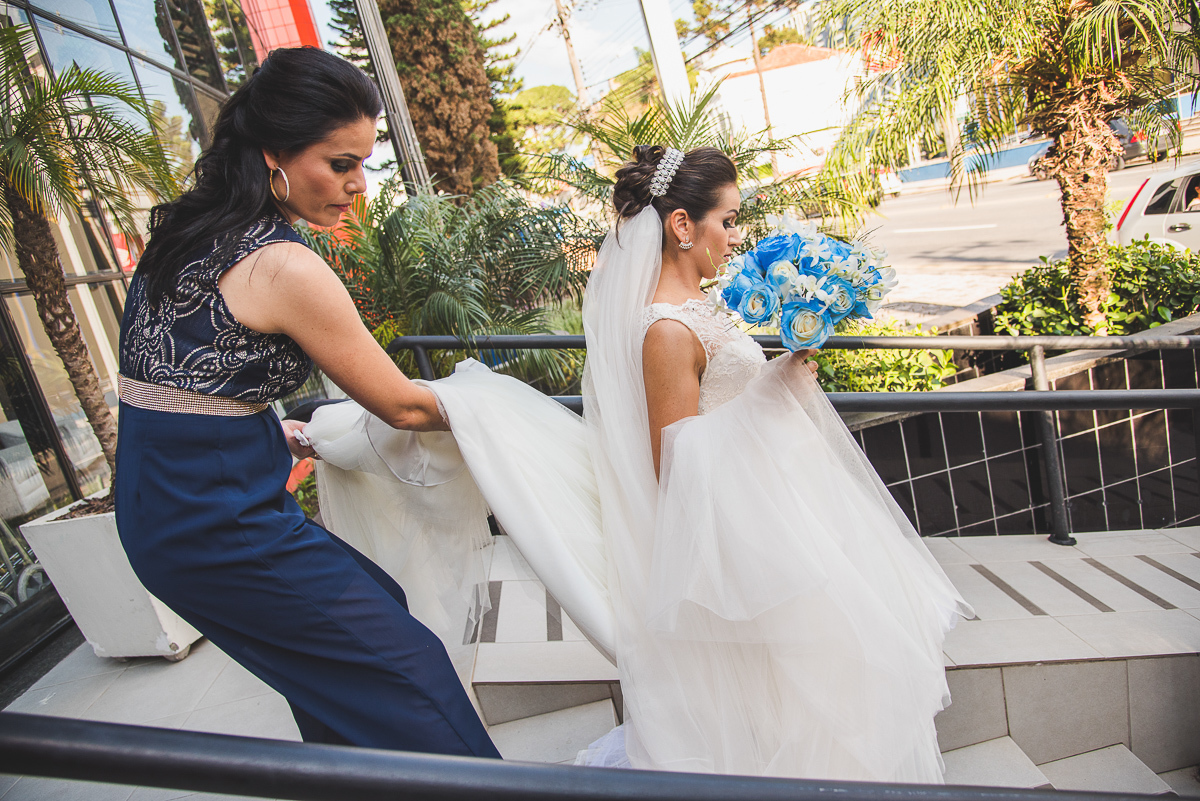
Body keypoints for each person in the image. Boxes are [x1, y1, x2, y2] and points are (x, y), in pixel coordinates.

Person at [304, 146, 972, 781]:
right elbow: (675, 461)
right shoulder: (666, 331)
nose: (737, 237)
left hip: (766, 511)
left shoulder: (699, 309)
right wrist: (773, 386)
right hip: (727, 535)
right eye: (728, 220)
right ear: (683, 224)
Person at [115, 46, 499, 758]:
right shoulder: (283, 263)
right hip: (211, 520)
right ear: (274, 155)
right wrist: (502, 415)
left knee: (355, 637)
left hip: (164, 501)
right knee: (408, 672)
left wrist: (260, 423)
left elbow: (181, 368)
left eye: (364, 164)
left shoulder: (189, 232)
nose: (358, 185)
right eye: (340, 163)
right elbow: (404, 408)